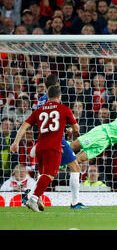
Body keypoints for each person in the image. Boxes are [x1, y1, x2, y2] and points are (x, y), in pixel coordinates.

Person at [10, 85, 80, 212]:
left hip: (40, 147)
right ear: (59, 96)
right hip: (54, 147)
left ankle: (35, 198)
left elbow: (24, 126)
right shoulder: (64, 109)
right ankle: (33, 197)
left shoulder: (39, 110)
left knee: (43, 174)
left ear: (48, 97)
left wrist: (16, 142)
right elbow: (76, 128)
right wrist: (71, 132)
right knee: (50, 175)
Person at [29, 74, 89, 209]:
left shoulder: (41, 100)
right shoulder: (53, 101)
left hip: (44, 138)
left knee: (45, 173)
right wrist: (68, 129)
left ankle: (33, 196)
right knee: (74, 166)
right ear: (56, 86)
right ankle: (74, 203)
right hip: (56, 140)